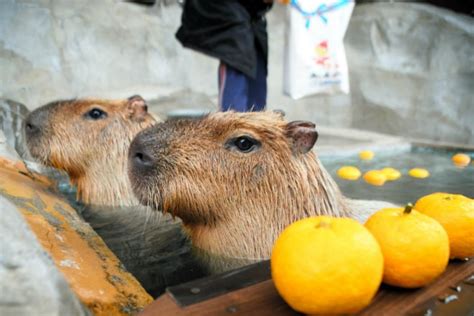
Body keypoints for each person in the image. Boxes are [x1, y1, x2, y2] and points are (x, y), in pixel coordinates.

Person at [176, 1, 273, 112]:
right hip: (229, 12)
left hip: (252, 15)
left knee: (257, 83)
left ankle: (258, 123)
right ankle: (233, 123)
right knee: (237, 67)